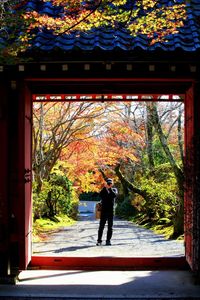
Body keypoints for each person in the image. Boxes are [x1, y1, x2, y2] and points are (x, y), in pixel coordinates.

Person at [96, 178, 118, 246]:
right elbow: (100, 195)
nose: (109, 184)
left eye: (110, 183)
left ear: (112, 184)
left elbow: (114, 195)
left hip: (111, 211)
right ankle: (99, 240)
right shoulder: (103, 190)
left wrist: (110, 188)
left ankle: (108, 240)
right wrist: (105, 188)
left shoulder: (114, 190)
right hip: (104, 211)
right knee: (101, 226)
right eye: (108, 183)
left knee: (110, 227)